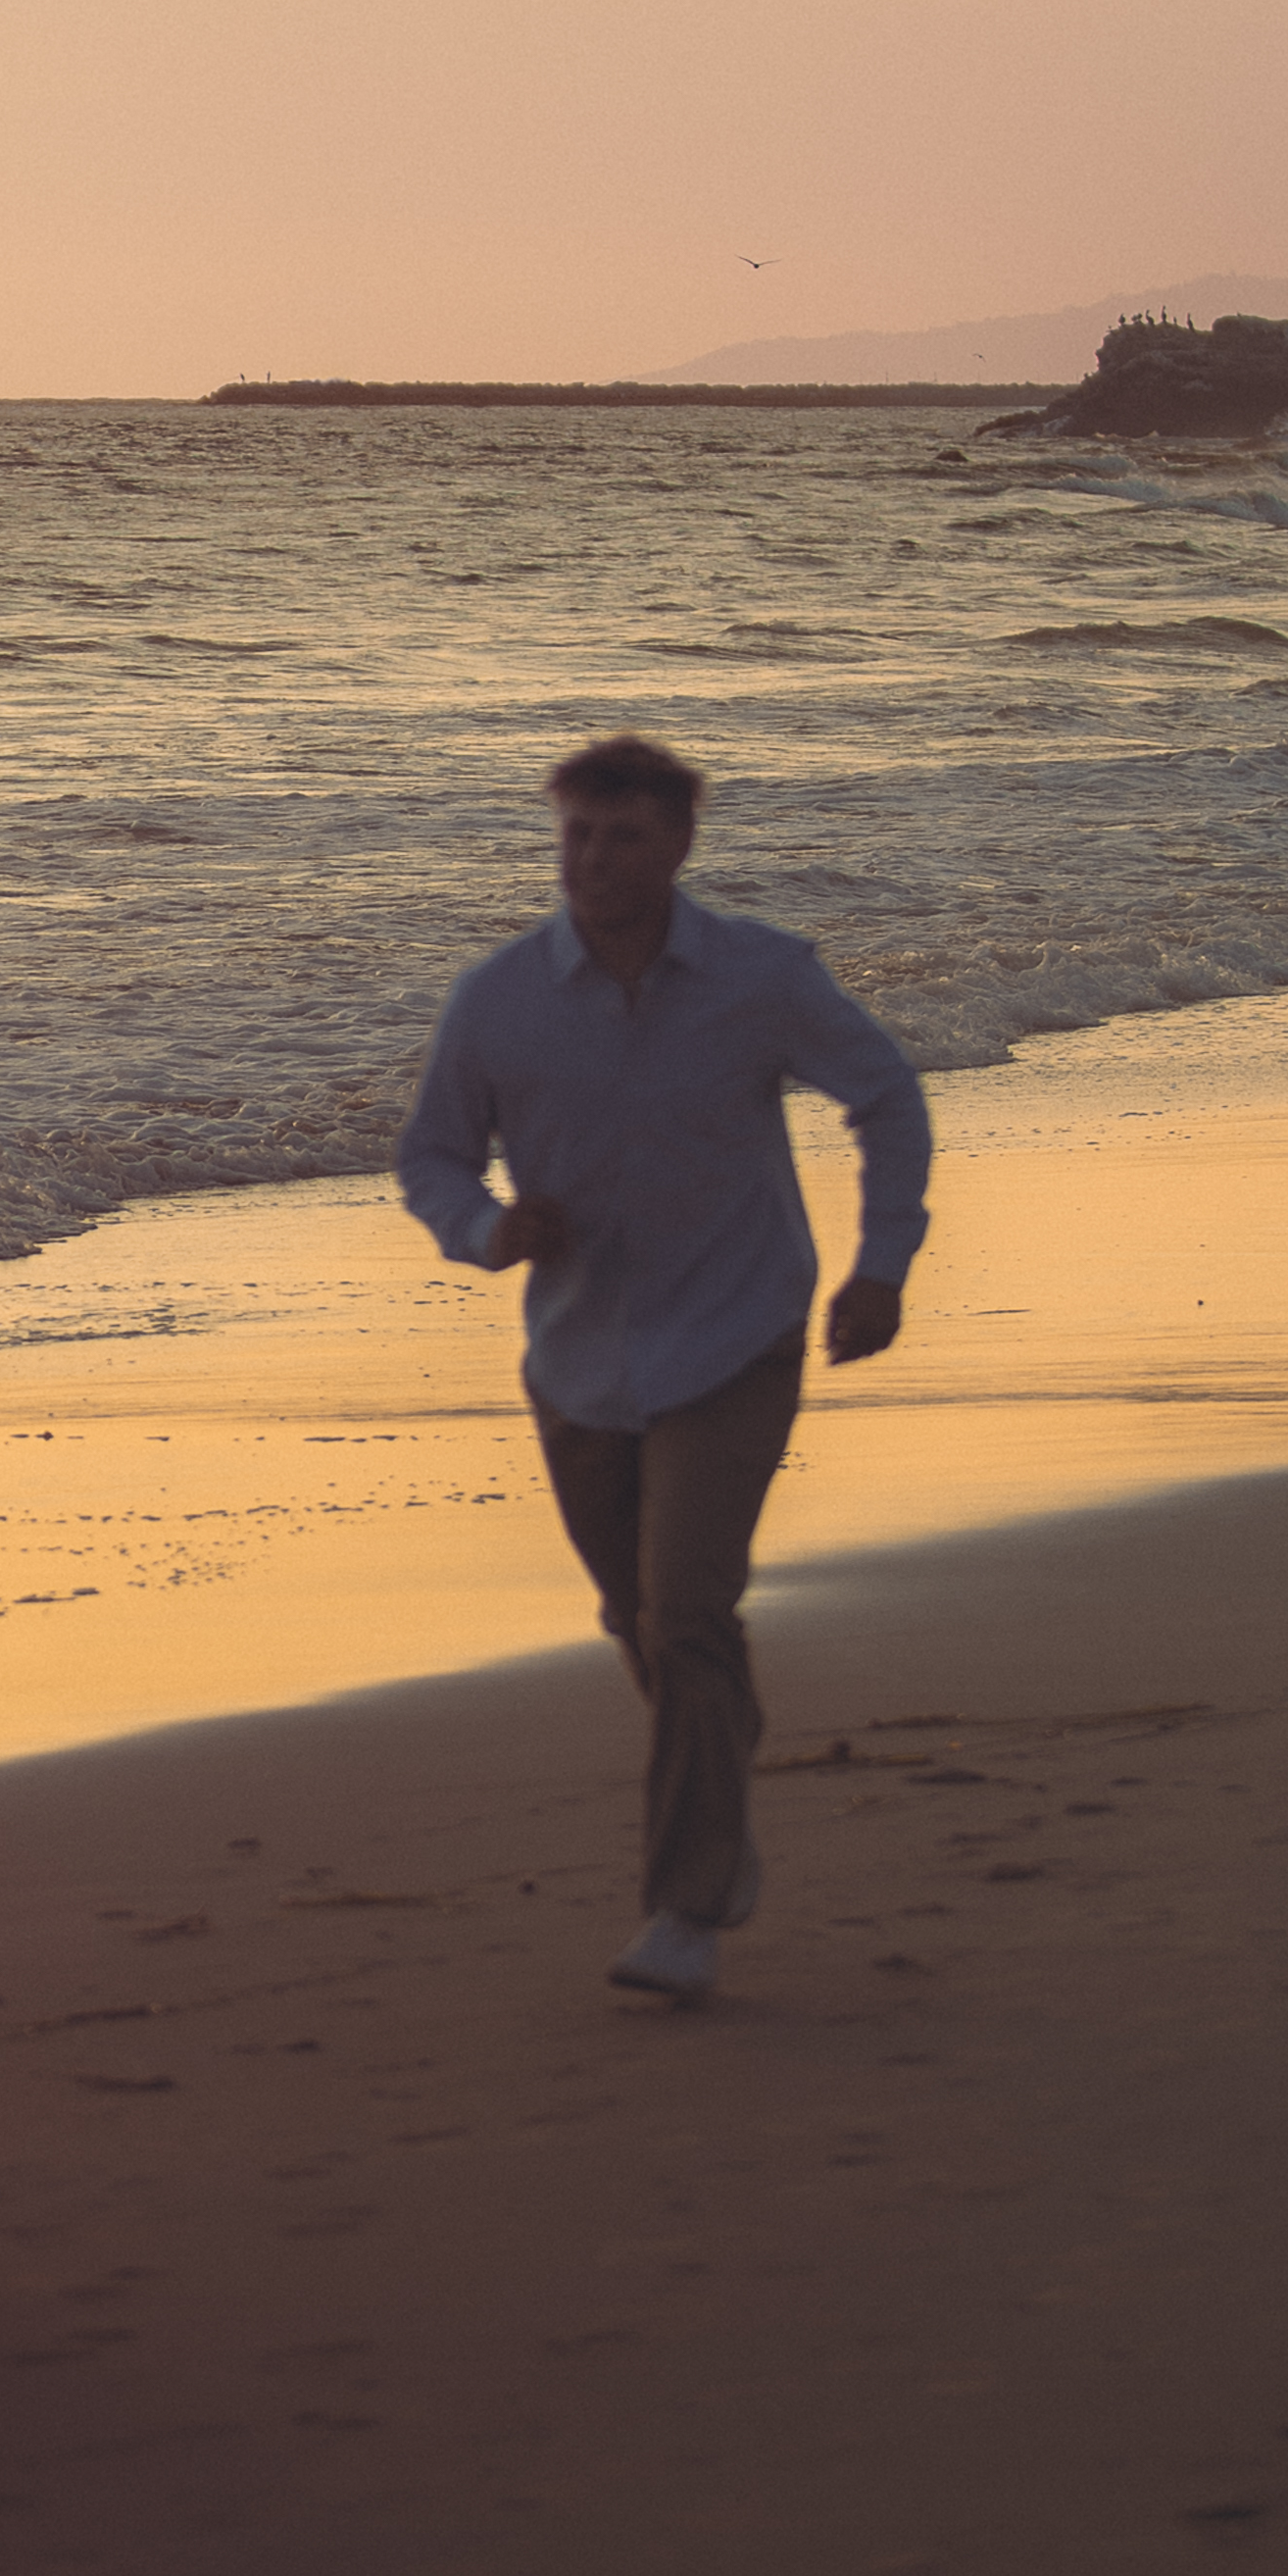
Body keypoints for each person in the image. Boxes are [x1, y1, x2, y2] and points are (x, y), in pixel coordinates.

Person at [396, 733, 932, 2005]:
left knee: (687, 1609)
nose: (593, 860)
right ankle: (721, 1778)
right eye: (577, 835)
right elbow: (431, 1157)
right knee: (643, 1623)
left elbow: (887, 1097)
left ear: (679, 845)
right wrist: (486, 1231)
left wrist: (883, 1266)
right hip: (576, 1360)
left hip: (736, 1336)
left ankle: (684, 1910)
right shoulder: (501, 999)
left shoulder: (761, 977)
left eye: (623, 837)